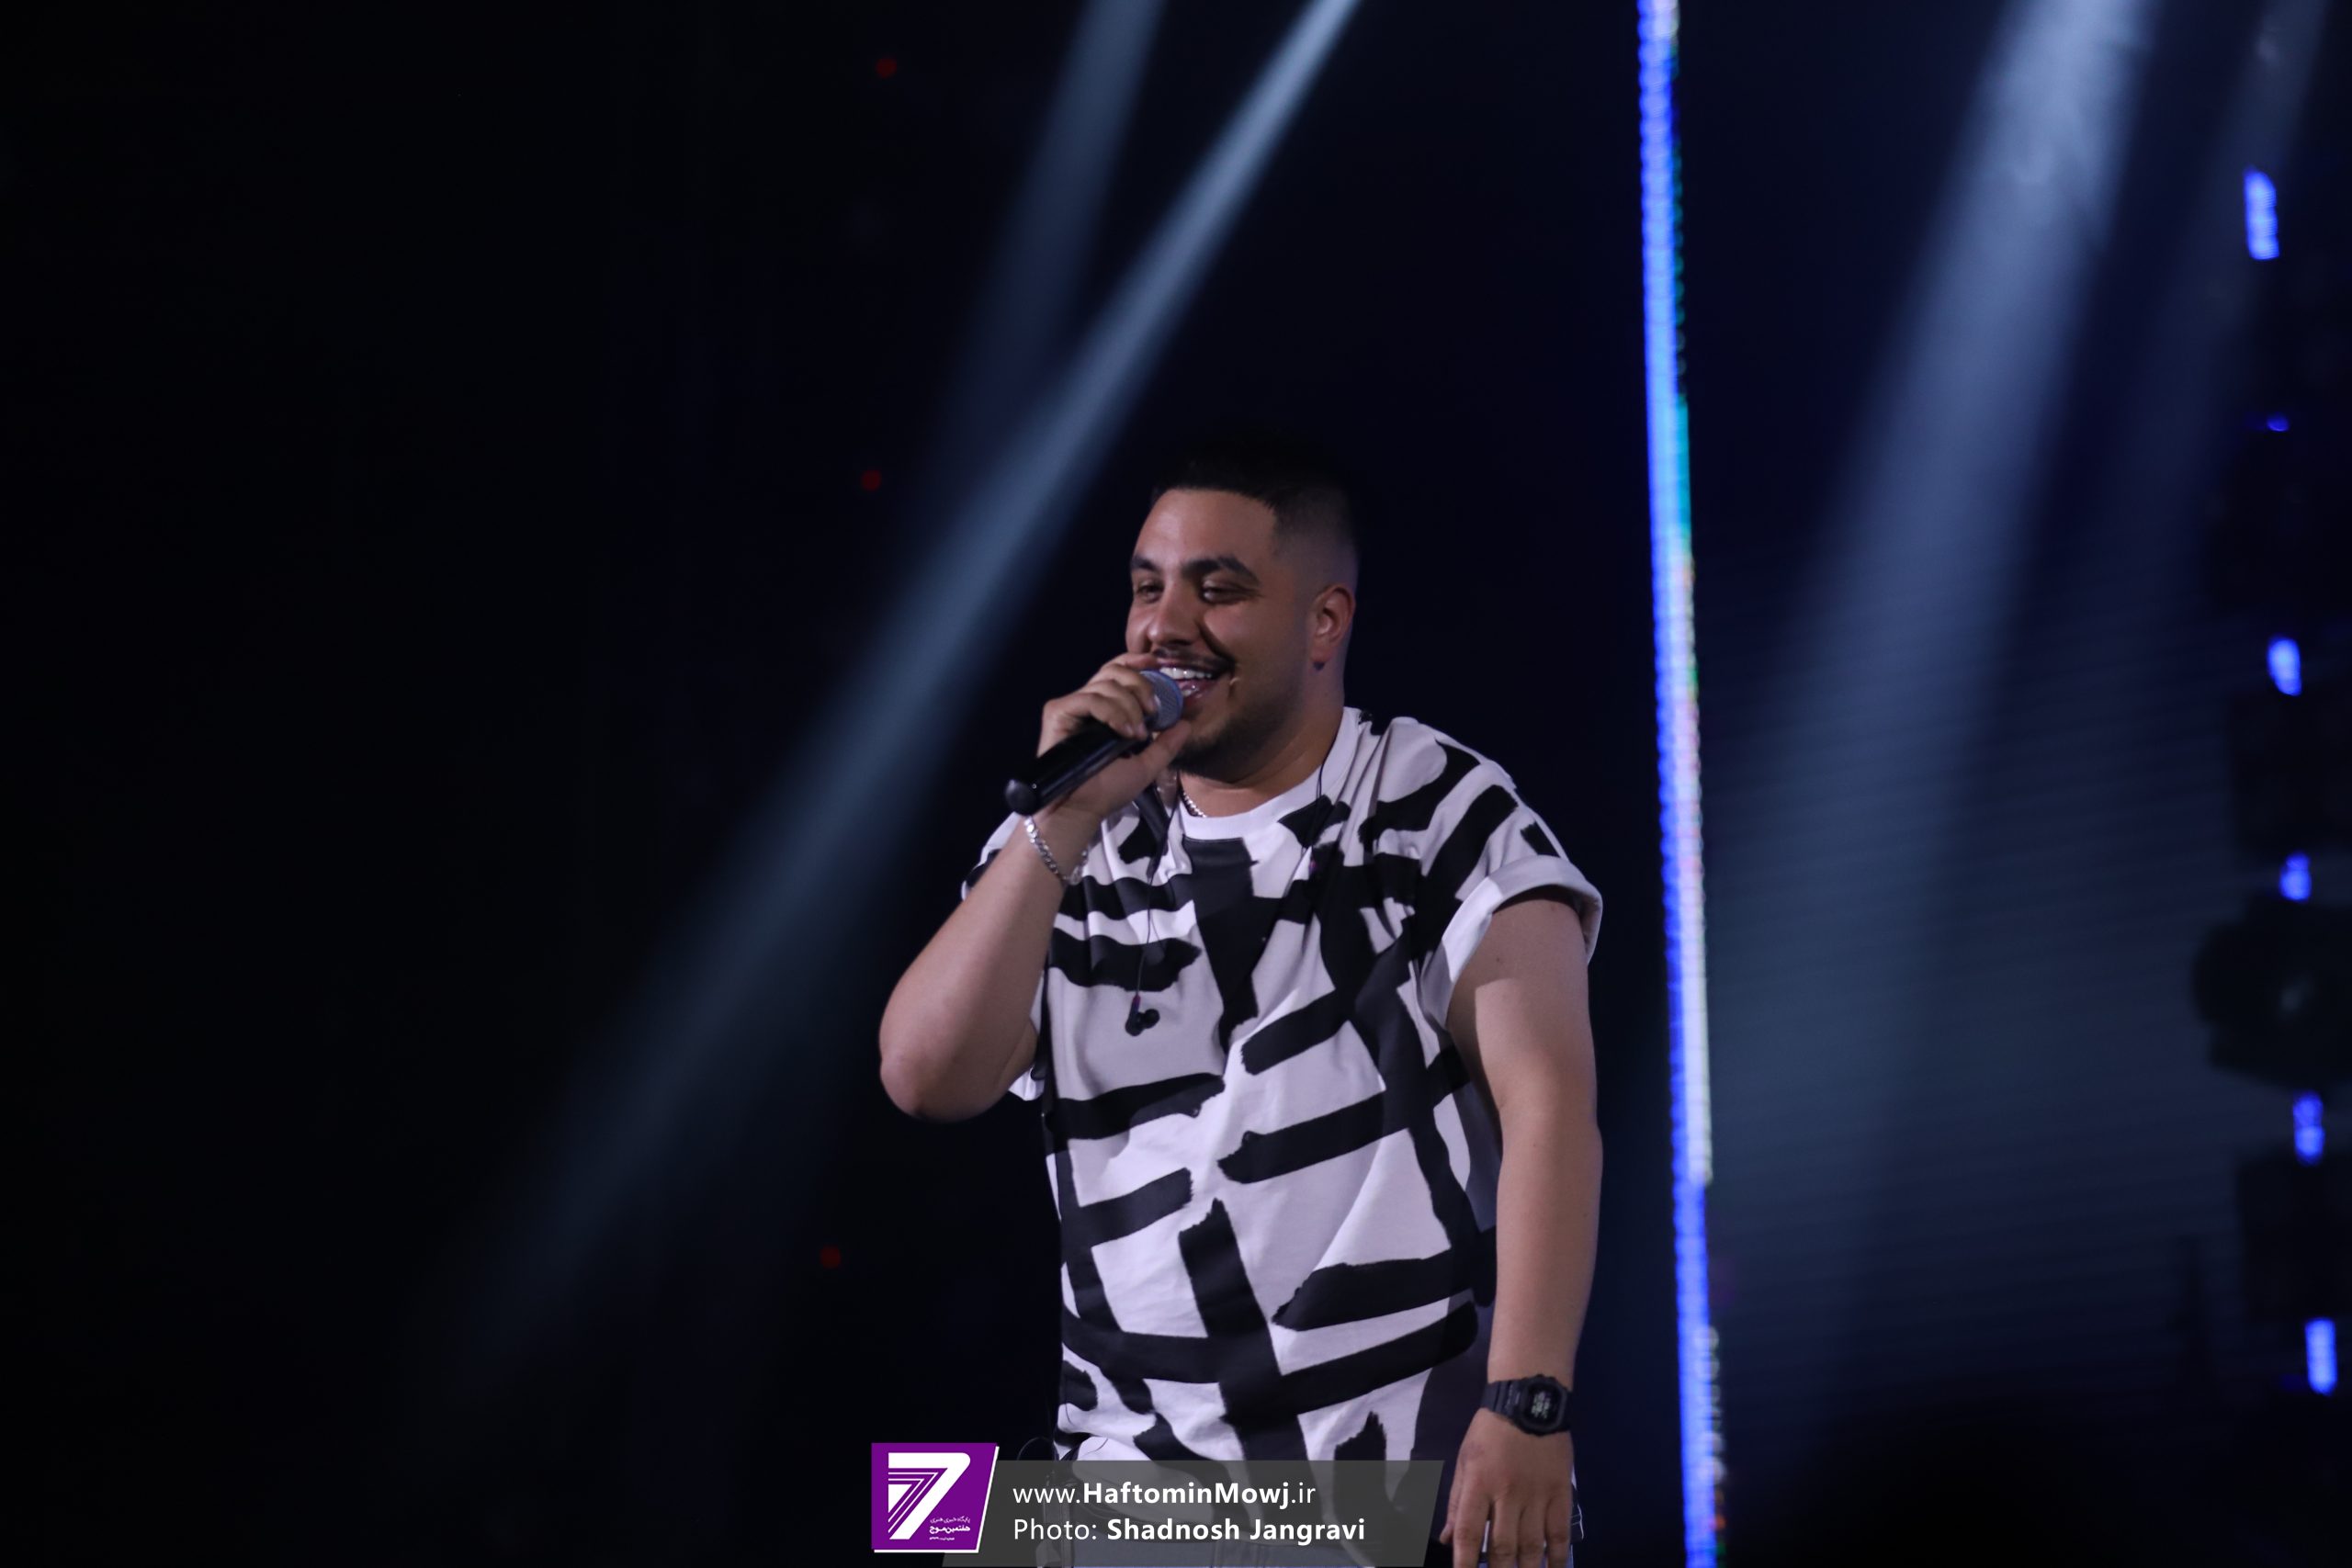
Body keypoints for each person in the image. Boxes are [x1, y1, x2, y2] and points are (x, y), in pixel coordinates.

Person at [878, 433, 1601, 1568]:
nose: (1165, 625)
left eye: (1217, 591)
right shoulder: (1075, 842)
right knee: (920, 1515)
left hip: (1371, 1500)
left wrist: (1529, 1405)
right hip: (1118, 1498)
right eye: (1146, 588)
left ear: (1324, 622)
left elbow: (1550, 1106)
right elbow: (926, 1077)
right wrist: (1059, 822)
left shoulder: (1431, 807)